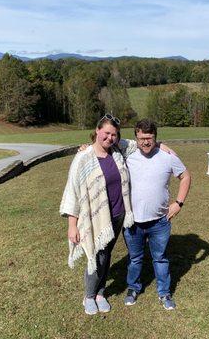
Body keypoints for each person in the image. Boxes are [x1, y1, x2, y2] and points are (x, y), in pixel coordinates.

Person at [60, 114, 134, 315]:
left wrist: (161, 145)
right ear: (97, 130)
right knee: (96, 255)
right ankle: (89, 295)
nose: (110, 138)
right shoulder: (83, 158)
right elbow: (72, 193)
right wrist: (72, 225)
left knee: (106, 254)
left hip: (118, 215)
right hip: (95, 218)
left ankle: (101, 292)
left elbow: (139, 143)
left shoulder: (118, 152)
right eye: (107, 133)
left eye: (114, 135)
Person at [119, 119, 191, 310]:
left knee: (160, 258)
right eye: (142, 138)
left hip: (160, 221)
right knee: (135, 259)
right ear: (136, 137)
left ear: (155, 137)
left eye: (150, 138)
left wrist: (178, 203)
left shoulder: (167, 157)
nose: (145, 142)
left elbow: (185, 176)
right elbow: (105, 143)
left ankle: (164, 293)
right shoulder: (128, 155)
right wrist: (85, 147)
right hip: (133, 221)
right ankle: (133, 288)